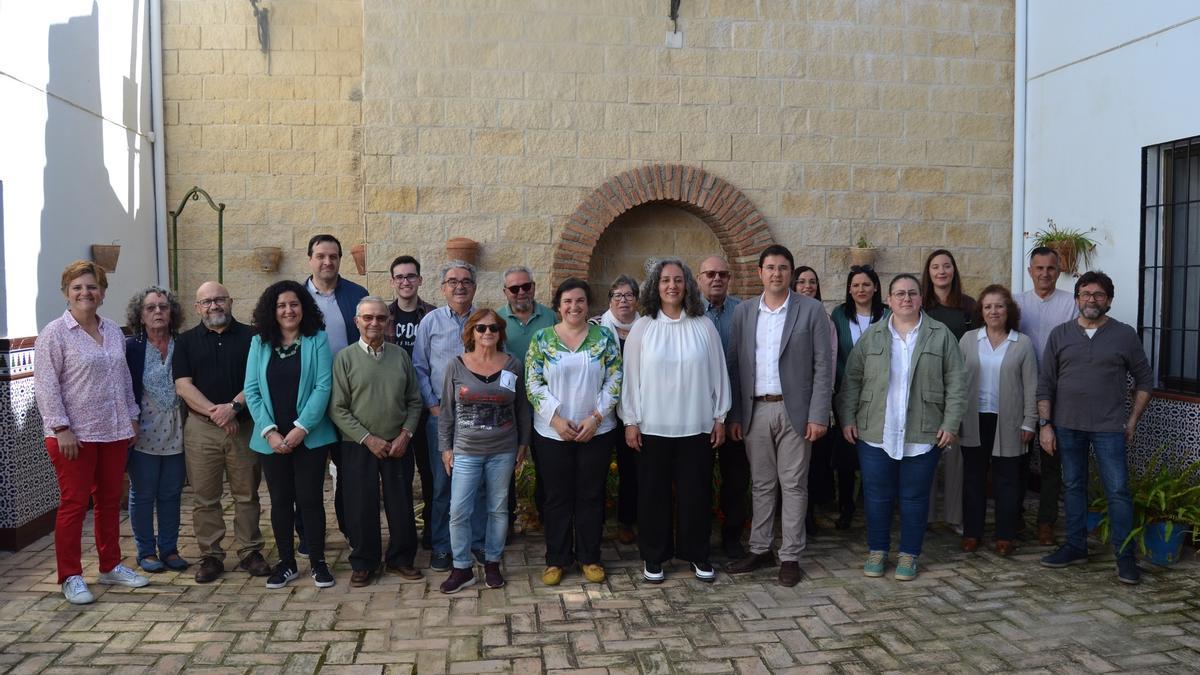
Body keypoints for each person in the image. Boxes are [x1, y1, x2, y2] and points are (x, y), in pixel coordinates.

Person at [837, 273, 966, 581]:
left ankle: (909, 553)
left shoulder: (941, 334)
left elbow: (957, 382)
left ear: (921, 299)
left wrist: (951, 423)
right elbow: (852, 380)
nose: (906, 298)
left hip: (924, 431)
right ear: (890, 300)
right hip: (875, 430)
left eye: (912, 293)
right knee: (877, 495)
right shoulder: (874, 336)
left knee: (915, 496)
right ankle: (878, 550)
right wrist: (848, 418)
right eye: (899, 294)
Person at [35, 261, 149, 604]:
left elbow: (123, 378)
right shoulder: (54, 334)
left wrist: (131, 416)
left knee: (109, 502)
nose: (86, 293)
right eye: (77, 287)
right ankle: (70, 575)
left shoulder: (113, 330)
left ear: (102, 293)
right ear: (66, 293)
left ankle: (110, 564)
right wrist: (61, 427)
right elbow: (45, 386)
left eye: (92, 287)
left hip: (113, 431)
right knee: (73, 504)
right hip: (74, 436)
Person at [725, 247, 834, 587]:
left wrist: (819, 414)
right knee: (761, 484)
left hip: (796, 411)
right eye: (770, 268)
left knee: (794, 485)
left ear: (790, 273)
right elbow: (735, 366)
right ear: (759, 273)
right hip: (756, 409)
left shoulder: (812, 310)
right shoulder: (744, 313)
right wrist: (736, 415)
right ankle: (760, 549)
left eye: (783, 268)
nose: (776, 274)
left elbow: (823, 366)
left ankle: (790, 555)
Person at [1037, 271, 1152, 585]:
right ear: (1077, 299)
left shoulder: (1124, 335)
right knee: (1073, 486)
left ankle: (1125, 556)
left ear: (1109, 301)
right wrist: (1045, 426)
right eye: (1085, 294)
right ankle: (1076, 546)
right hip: (1066, 426)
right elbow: (1045, 384)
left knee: (1117, 491)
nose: (1091, 299)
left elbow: (1145, 381)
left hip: (1109, 429)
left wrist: (1131, 421)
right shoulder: (1060, 335)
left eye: (1098, 294)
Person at [620, 259, 732, 584]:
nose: (672, 286)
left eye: (678, 280)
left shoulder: (704, 325)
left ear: (687, 286)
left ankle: (697, 554)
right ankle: (654, 557)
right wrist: (631, 420)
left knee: (696, 493)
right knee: (653, 495)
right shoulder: (643, 327)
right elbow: (631, 378)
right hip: (652, 427)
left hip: (696, 426)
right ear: (656, 286)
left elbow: (718, 374)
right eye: (666, 280)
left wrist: (720, 416)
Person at [243, 280, 338, 589]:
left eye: (293, 304)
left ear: (303, 308)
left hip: (309, 436)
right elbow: (252, 390)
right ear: (272, 310)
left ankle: (319, 563)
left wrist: (301, 428)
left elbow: (324, 387)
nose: (288, 310)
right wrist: (270, 432)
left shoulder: (317, 340)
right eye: (281, 305)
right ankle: (286, 563)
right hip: (271, 438)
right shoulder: (259, 343)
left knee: (310, 500)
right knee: (281, 501)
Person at [527, 279, 623, 586]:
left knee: (591, 495)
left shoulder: (604, 338)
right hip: (552, 433)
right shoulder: (542, 339)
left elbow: (615, 380)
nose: (574, 306)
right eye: (567, 301)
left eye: (580, 301)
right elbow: (532, 382)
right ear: (558, 306)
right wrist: (555, 418)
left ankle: (589, 557)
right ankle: (557, 559)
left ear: (587, 304)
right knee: (556, 497)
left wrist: (595, 418)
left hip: (596, 431)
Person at [174, 281, 270, 583]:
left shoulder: (252, 337)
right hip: (202, 430)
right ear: (197, 307)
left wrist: (233, 408)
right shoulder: (186, 341)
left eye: (219, 300)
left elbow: (257, 379)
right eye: (207, 302)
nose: (214, 306)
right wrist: (217, 413)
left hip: (243, 428)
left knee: (247, 494)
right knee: (205, 497)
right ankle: (211, 556)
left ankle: (250, 551)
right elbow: (183, 385)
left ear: (231, 302)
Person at [331, 297, 425, 587]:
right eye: (368, 318)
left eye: (381, 318)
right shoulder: (344, 358)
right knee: (361, 504)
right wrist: (367, 438)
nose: (374, 323)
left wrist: (405, 435)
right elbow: (338, 408)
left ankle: (401, 558)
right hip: (358, 444)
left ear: (388, 323)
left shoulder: (400, 356)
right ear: (357, 321)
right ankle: (364, 561)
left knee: (400, 502)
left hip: (397, 443)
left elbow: (414, 401)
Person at [438, 309, 531, 593]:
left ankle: (492, 561)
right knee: (459, 511)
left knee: (498, 509)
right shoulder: (456, 365)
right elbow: (446, 412)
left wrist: (523, 444)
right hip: (466, 449)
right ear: (471, 333)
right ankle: (462, 567)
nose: (487, 333)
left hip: (503, 449)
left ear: (500, 332)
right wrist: (446, 447)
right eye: (481, 328)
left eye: (493, 328)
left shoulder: (513, 365)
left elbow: (522, 408)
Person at [413, 261, 487, 572]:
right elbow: (418, 367)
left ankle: (478, 542)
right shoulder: (429, 322)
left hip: (478, 417)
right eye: (452, 281)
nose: (459, 286)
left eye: (466, 281)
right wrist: (432, 406)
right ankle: (442, 546)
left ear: (474, 286)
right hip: (440, 415)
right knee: (442, 483)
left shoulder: (485, 321)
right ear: (442, 288)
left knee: (478, 482)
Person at [958, 285, 1037, 556]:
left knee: (1007, 480)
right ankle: (972, 533)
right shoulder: (968, 340)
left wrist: (1030, 422)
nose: (994, 311)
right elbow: (956, 382)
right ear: (981, 311)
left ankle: (1005, 535)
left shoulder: (1022, 343)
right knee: (973, 479)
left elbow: (1031, 386)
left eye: (999, 306)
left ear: (1009, 311)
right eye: (988, 306)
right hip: (973, 419)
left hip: (1010, 422)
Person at [303, 234, 369, 550]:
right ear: (310, 259)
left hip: (348, 397)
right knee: (309, 472)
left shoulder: (357, 294)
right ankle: (308, 535)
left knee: (350, 472)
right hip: (306, 398)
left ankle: (353, 530)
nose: (327, 262)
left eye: (333, 256)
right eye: (320, 256)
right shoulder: (296, 298)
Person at [1015, 246, 1078, 546]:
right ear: (1030, 271)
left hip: (1060, 393)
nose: (1044, 274)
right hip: (1020, 393)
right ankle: (1013, 518)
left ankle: (1046, 522)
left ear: (1059, 271)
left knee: (1052, 461)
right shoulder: (1016, 303)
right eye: (1038, 268)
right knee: (1016, 459)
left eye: (1050, 268)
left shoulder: (1071, 305)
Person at [124, 286, 188, 574]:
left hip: (177, 431)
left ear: (172, 311)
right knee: (143, 493)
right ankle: (146, 551)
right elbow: (123, 388)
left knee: (171, 493)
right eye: (151, 308)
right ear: (141, 315)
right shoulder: (131, 348)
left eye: (163, 306)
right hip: (143, 434)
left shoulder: (183, 344)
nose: (158, 312)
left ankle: (170, 548)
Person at [699, 255, 750, 560]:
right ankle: (699, 537)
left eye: (722, 274)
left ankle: (732, 536)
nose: (716, 279)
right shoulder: (689, 313)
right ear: (699, 279)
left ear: (729, 279)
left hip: (735, 414)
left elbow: (749, 366)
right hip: (698, 414)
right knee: (698, 479)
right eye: (710, 274)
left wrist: (739, 414)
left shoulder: (743, 312)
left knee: (736, 479)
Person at [385, 255, 438, 551]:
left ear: (420, 280)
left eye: (411, 276)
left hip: (429, 408)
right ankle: (403, 536)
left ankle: (432, 530)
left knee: (431, 473)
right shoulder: (383, 316)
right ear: (393, 282)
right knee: (400, 478)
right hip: (397, 410)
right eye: (400, 277)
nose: (405, 282)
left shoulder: (432, 315)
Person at [828, 265, 887, 529]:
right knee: (846, 453)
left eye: (865, 285)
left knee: (876, 449)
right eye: (855, 285)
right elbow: (835, 353)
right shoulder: (839, 314)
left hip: (880, 395)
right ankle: (846, 508)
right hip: (847, 393)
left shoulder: (887, 314)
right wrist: (847, 380)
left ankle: (874, 504)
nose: (860, 290)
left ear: (875, 287)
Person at [921, 249, 974, 532]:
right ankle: (925, 516)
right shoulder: (921, 306)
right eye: (935, 267)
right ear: (928, 273)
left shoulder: (968, 307)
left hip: (958, 389)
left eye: (946, 266)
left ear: (954, 270)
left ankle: (954, 517)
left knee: (955, 458)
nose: (941, 271)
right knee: (925, 455)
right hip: (926, 390)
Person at [497, 266, 556, 526]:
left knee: (547, 467)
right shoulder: (496, 321)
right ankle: (506, 522)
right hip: (509, 405)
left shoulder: (552, 317)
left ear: (533, 286)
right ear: (505, 292)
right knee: (506, 467)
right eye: (514, 288)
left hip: (545, 404)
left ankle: (547, 519)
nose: (521, 292)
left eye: (526, 286)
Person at [589, 275, 641, 545]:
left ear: (637, 300)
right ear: (609, 300)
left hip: (634, 411)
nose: (624, 300)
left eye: (629, 295)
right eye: (618, 295)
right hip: (600, 411)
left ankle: (626, 521)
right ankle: (593, 523)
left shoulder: (647, 327)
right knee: (595, 468)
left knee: (630, 469)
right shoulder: (595, 327)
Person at [792, 265, 838, 536]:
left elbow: (829, 360)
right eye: (801, 282)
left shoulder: (825, 318)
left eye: (812, 282)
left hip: (816, 400)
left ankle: (809, 517)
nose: (807, 286)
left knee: (813, 464)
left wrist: (823, 399)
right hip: (791, 400)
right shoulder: (788, 315)